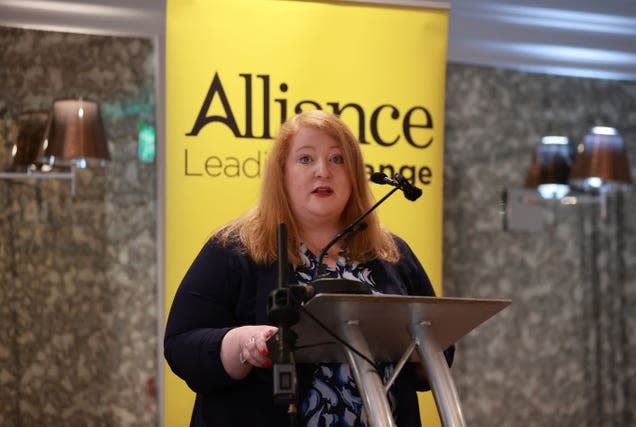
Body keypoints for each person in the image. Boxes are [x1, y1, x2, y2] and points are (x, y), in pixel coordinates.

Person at [164, 109, 454, 427]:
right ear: (282, 173)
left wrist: (422, 354)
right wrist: (241, 344)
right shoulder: (236, 247)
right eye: (305, 159)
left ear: (354, 175)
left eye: (337, 160)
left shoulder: (391, 253)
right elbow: (181, 343)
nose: (323, 172)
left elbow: (435, 344)